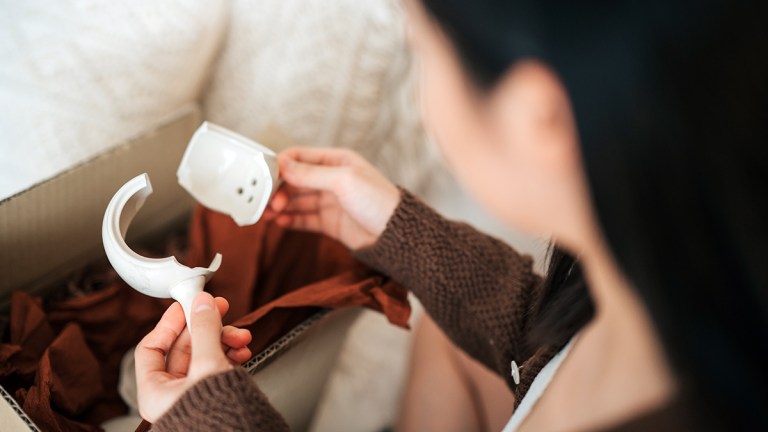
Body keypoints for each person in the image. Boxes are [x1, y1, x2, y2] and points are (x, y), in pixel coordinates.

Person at [133, 0, 768, 430]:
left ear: (541, 120)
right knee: (447, 328)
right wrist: (399, 230)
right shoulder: (666, 287)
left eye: (422, 51)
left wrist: (214, 416)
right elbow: (545, 348)